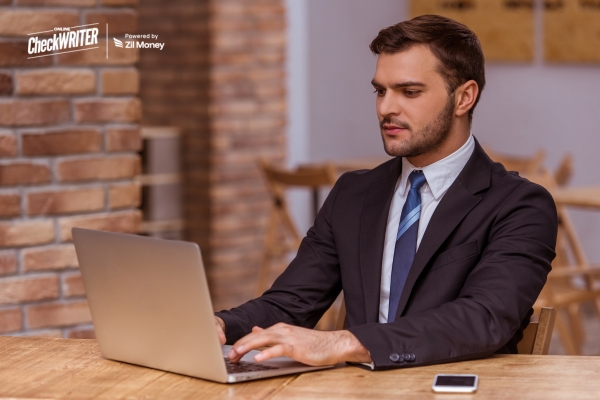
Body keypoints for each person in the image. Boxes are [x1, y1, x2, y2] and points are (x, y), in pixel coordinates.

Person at [214, 14, 558, 370]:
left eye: (409, 92)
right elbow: (291, 303)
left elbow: (484, 317)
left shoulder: (520, 205)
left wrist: (345, 341)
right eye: (380, 90)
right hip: (357, 391)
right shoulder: (353, 193)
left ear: (464, 98)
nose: (385, 108)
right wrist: (220, 325)